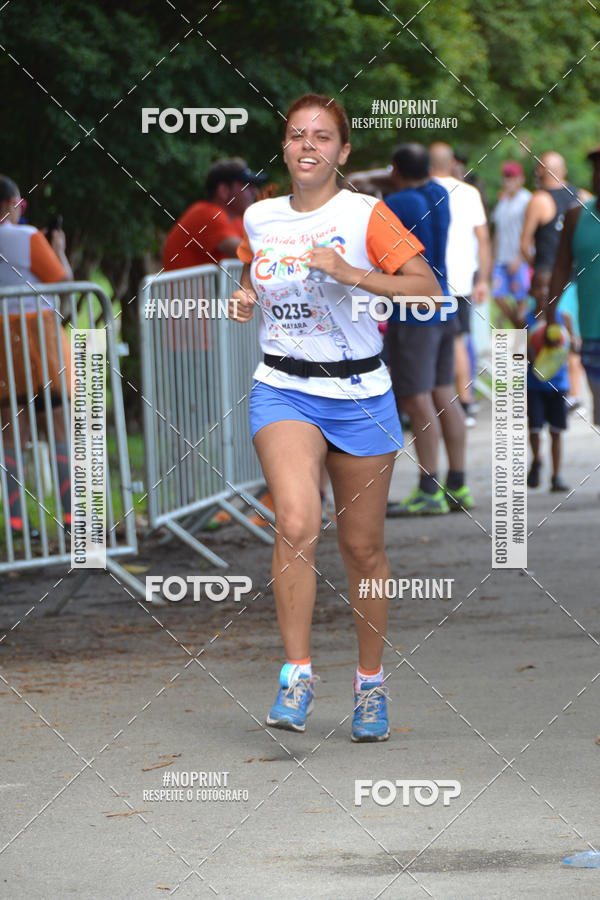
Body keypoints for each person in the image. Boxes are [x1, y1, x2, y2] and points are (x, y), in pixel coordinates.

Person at [229, 93, 440, 742]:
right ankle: (296, 674)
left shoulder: (365, 215)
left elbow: (424, 286)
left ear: (343, 152)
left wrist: (351, 273)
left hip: (360, 396)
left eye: (323, 136)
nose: (308, 145)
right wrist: (243, 296)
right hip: (283, 389)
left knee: (362, 547)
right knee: (295, 519)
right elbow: (255, 276)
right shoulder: (261, 217)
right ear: (286, 147)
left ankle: (370, 684)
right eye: (297, 135)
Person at [383, 143, 474, 516]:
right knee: (444, 393)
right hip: (443, 304)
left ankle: (428, 488)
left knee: (415, 398)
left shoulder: (399, 202)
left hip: (413, 311)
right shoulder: (438, 193)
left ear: (395, 170)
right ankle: (457, 485)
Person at [0, 175, 73, 536]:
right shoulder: (27, 238)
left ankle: (16, 524)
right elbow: (64, 281)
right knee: (58, 426)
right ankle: (74, 519)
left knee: (12, 435)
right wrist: (56, 246)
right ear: (10, 204)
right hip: (37, 341)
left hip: (1, 351)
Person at [430, 142, 492, 425]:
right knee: (457, 341)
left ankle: (427, 404)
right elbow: (483, 239)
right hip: (461, 282)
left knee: (424, 342)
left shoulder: (417, 191)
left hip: (425, 282)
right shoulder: (469, 193)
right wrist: (483, 279)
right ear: (452, 162)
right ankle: (465, 403)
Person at [547, 146, 600, 426]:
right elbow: (560, 268)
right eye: (596, 168)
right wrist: (549, 316)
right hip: (592, 335)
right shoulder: (576, 217)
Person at [162, 157, 267, 270]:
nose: (254, 191)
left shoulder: (236, 220)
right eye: (247, 186)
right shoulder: (207, 214)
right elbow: (251, 253)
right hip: (189, 288)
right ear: (223, 191)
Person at [491, 161, 531, 322]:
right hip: (501, 258)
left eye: (513, 178)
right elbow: (498, 233)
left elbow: (532, 232)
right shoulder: (503, 201)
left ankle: (523, 342)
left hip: (519, 259)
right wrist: (493, 258)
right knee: (498, 297)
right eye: (507, 178)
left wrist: (521, 257)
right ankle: (520, 332)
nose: (510, 182)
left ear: (521, 179)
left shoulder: (527, 199)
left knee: (521, 301)